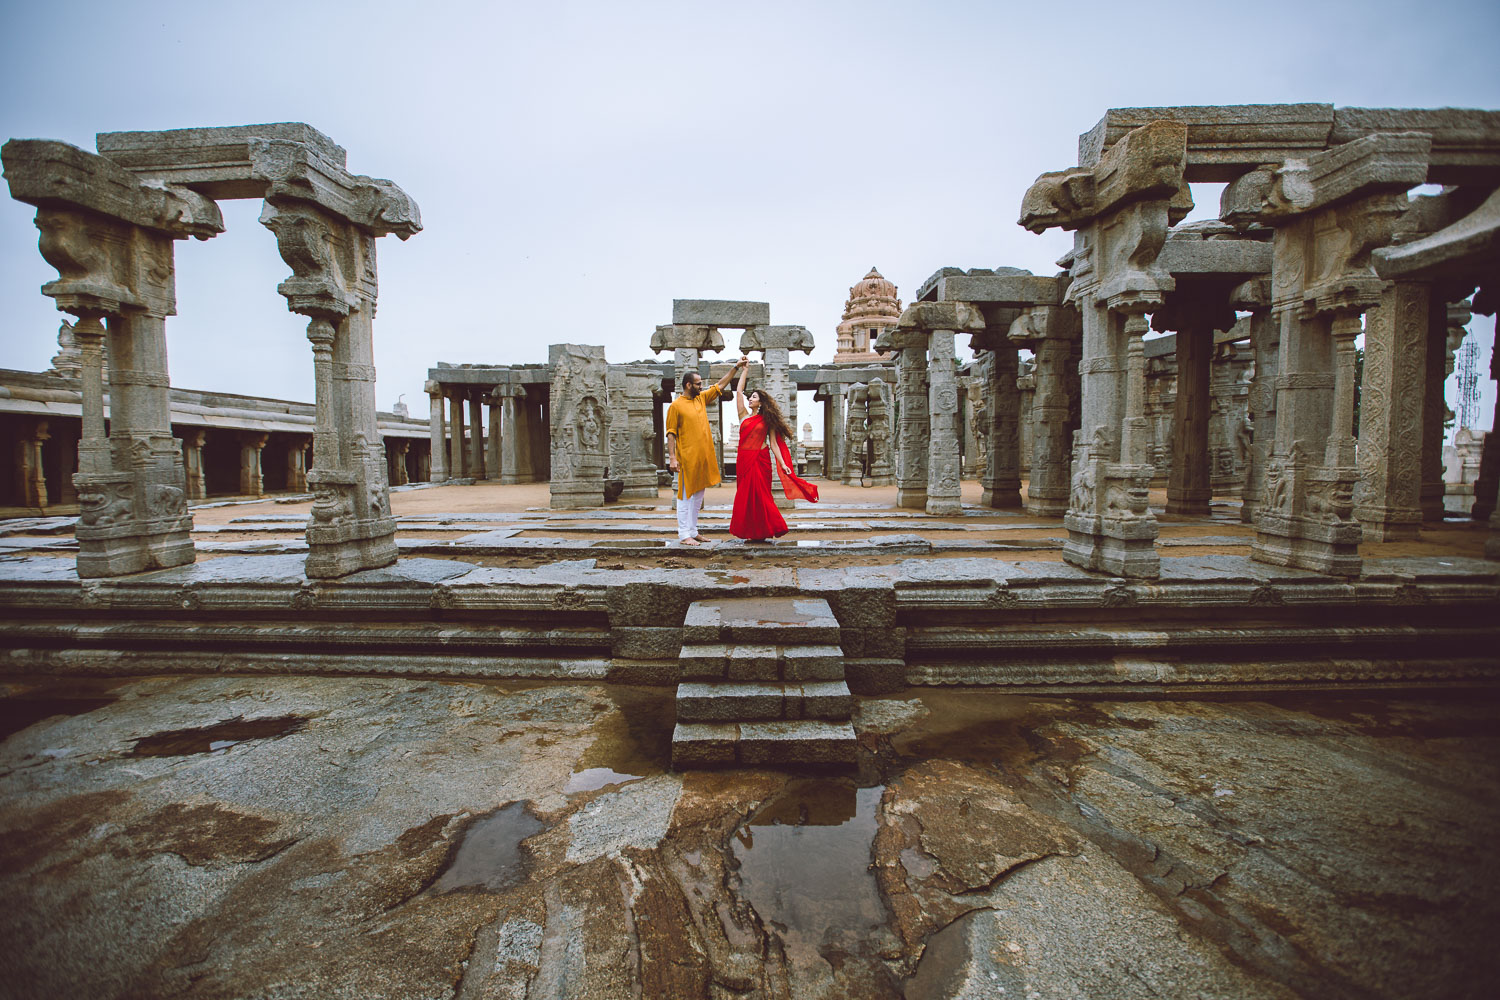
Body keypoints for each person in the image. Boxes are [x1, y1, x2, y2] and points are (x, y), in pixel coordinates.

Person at [729, 358, 819, 542]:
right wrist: (744, 370)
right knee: (745, 497)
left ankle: (765, 530)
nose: (750, 399)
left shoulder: (767, 421)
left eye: (754, 397)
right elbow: (738, 391)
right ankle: (749, 532)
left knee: (762, 496)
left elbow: (774, 444)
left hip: (761, 460)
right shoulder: (743, 416)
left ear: (760, 402)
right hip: (744, 461)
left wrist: (784, 464)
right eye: (750, 397)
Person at [666, 360, 744, 545]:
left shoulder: (700, 398)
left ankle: (693, 531)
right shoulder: (676, 406)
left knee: (699, 497)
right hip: (687, 459)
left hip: (703, 458)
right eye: (698, 383)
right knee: (684, 497)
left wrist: (736, 367)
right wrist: (672, 457)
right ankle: (683, 534)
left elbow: (721, 385)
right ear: (688, 385)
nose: (701, 386)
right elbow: (671, 433)